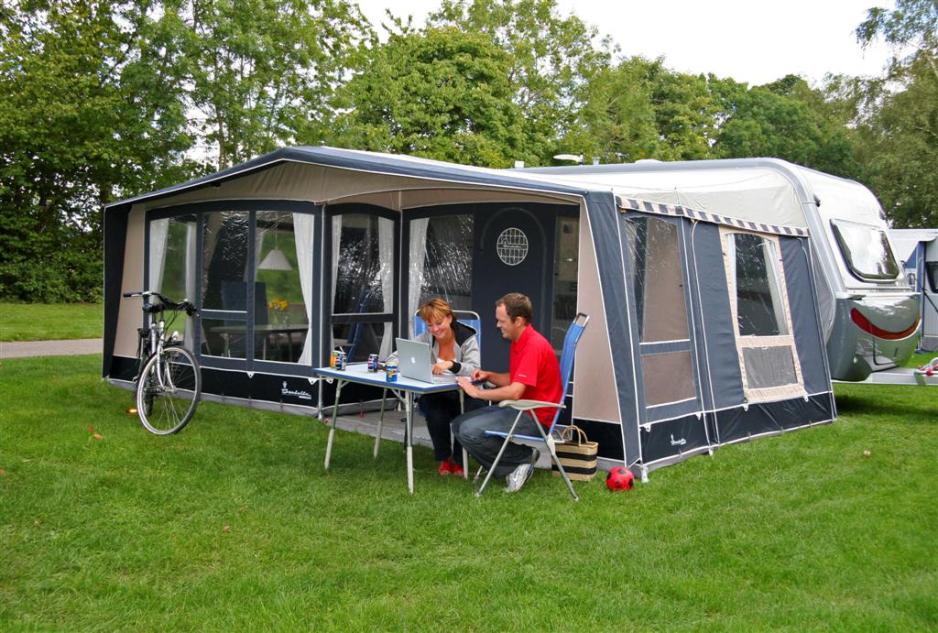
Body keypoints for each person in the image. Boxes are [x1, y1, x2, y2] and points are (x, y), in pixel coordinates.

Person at [453, 292, 562, 493]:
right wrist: (489, 375)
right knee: (458, 425)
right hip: (522, 408)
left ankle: (521, 460)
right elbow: (516, 379)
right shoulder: (519, 339)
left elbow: (514, 392)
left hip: (535, 415)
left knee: (469, 431)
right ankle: (518, 460)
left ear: (518, 321)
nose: (498, 325)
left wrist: (476, 393)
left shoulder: (533, 346)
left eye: (502, 321)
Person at [387, 298, 481, 476]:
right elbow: (396, 356)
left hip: (465, 392)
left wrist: (452, 364)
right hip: (437, 392)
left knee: (468, 412)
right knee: (435, 412)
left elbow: (475, 368)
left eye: (439, 323)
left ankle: (460, 461)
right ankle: (445, 458)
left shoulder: (467, 337)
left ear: (449, 318)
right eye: (430, 325)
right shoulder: (426, 337)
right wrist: (397, 364)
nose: (435, 329)